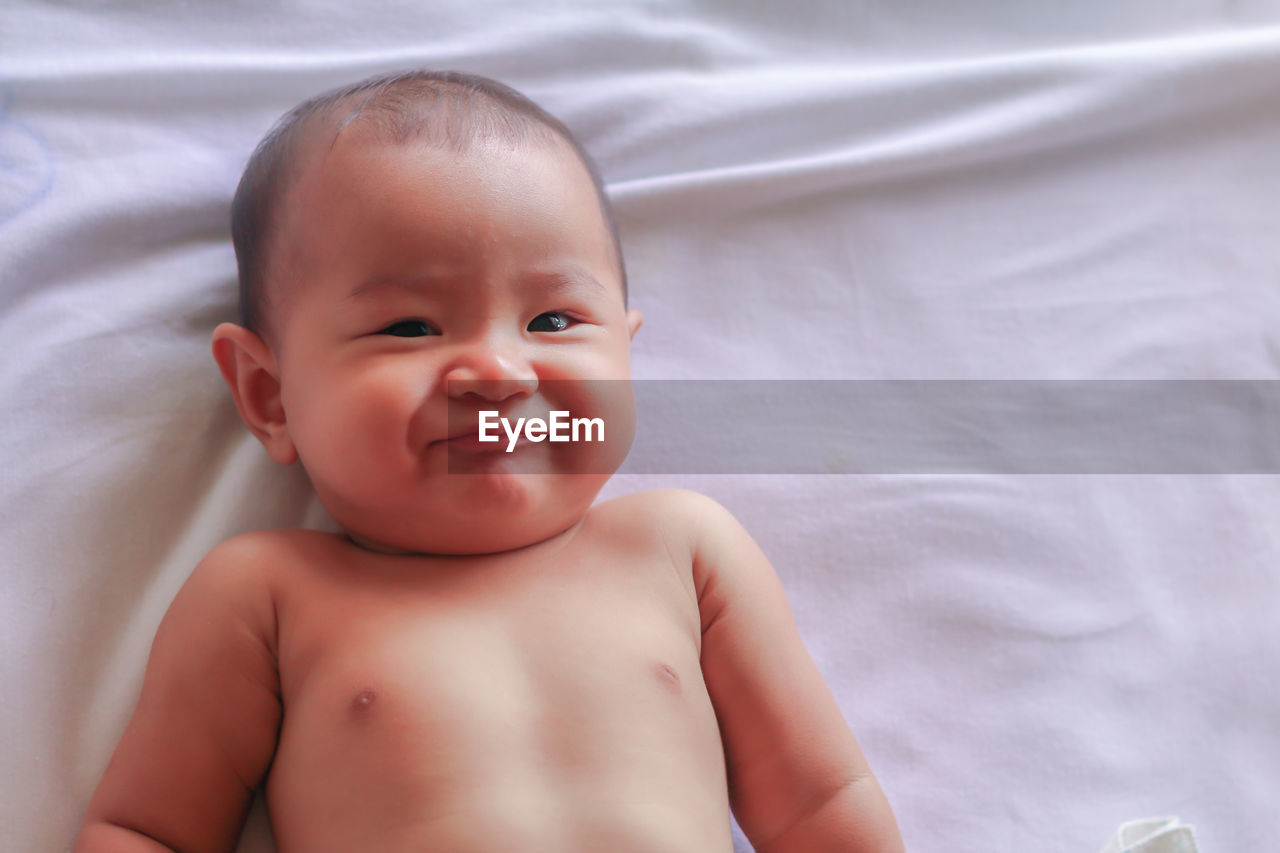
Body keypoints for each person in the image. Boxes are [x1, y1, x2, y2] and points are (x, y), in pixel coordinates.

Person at [74, 69, 904, 852]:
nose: (501, 373)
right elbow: (148, 829)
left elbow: (819, 803)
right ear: (270, 396)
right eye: (409, 327)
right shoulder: (267, 595)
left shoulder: (683, 551)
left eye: (553, 322)